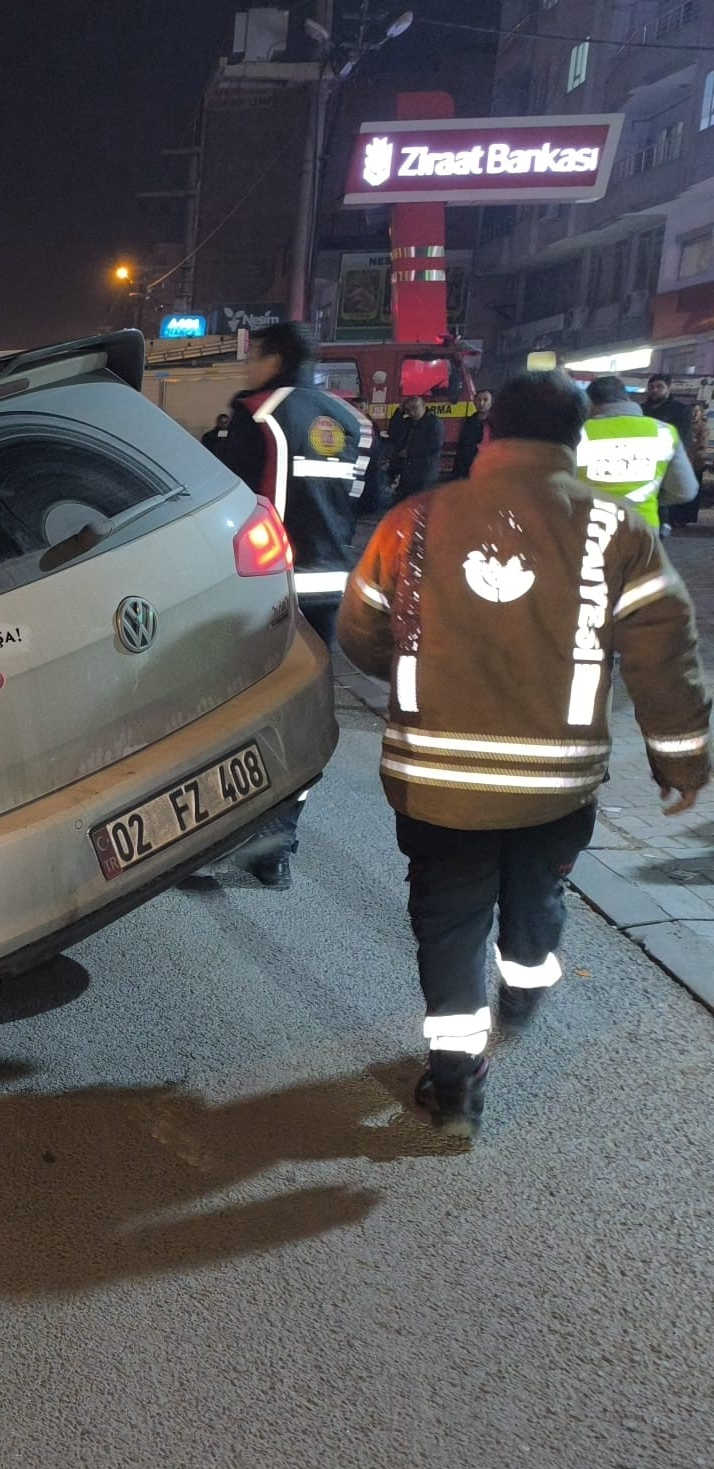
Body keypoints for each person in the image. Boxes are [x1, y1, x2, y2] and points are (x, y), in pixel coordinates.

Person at [339, 370, 710, 1141]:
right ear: (577, 440)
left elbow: (362, 632)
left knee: (447, 925)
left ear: (488, 431)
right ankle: (526, 988)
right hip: (557, 785)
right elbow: (664, 657)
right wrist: (682, 762)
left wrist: (419, 675)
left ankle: (456, 1086)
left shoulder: (414, 519)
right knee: (538, 896)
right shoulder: (619, 528)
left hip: (436, 783)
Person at [219, 319, 376, 887]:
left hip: (264, 589)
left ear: (274, 358)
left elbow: (226, 496)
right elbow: (370, 497)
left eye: (253, 356)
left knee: (241, 715)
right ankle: (279, 844)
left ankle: (225, 835)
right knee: (303, 715)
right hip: (329, 589)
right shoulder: (353, 421)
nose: (247, 367)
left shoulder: (257, 413)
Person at [577, 374, 696, 537]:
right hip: (643, 530)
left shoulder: (578, 434)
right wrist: (649, 495)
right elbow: (685, 491)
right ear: (627, 398)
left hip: (590, 529)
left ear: (589, 403)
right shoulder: (665, 432)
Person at [385, 395, 444, 499]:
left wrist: (409, 452)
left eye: (414, 408)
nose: (412, 412)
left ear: (423, 406)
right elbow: (393, 431)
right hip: (408, 471)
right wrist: (400, 411)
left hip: (425, 472)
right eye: (408, 410)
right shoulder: (409, 422)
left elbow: (435, 446)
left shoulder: (434, 423)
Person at [451, 387, 493, 479]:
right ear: (474, 402)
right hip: (469, 471)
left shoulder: (497, 424)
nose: (481, 403)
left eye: (485, 400)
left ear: (491, 402)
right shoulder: (468, 422)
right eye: (479, 400)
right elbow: (461, 448)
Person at [641, 372, 695, 440]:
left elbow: (684, 438)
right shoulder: (641, 409)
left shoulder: (681, 410)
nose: (654, 390)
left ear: (668, 389)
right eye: (651, 387)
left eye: (659, 386)